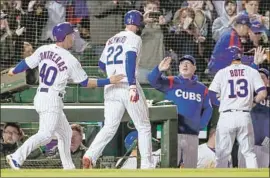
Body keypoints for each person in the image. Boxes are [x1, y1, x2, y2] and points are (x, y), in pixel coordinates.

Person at [6, 22, 124, 170]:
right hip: (52, 99)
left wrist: (14, 70)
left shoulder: (44, 49)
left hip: (42, 96)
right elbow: (86, 83)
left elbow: (26, 63)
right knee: (46, 135)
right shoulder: (70, 59)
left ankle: (69, 168)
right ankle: (16, 157)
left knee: (66, 133)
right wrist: (109, 80)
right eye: (71, 35)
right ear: (65, 36)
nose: (73, 38)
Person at [83, 10, 154, 169]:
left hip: (110, 86)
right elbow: (130, 58)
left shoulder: (111, 39)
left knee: (109, 127)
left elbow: (101, 65)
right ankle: (147, 165)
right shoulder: (134, 38)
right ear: (138, 23)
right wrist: (132, 86)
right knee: (143, 126)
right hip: (127, 83)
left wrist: (112, 70)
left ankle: (90, 155)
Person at [148, 55, 213, 168]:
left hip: (192, 135)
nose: (185, 65)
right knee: (170, 168)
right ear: (179, 67)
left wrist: (201, 125)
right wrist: (159, 69)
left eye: (188, 63)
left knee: (190, 168)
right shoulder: (172, 81)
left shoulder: (202, 88)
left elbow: (208, 108)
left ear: (194, 68)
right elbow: (152, 80)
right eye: (182, 63)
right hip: (172, 134)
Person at [208, 46, 267, 168]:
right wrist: (253, 102)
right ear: (240, 56)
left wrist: (223, 103)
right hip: (244, 115)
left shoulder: (222, 72)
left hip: (226, 116)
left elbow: (212, 95)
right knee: (249, 153)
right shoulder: (251, 71)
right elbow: (263, 93)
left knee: (222, 154)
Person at [238, 68, 269, 168]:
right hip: (246, 143)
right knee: (243, 174)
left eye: (263, 77)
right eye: (257, 77)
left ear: (268, 81)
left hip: (265, 145)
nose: (259, 79)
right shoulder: (246, 93)